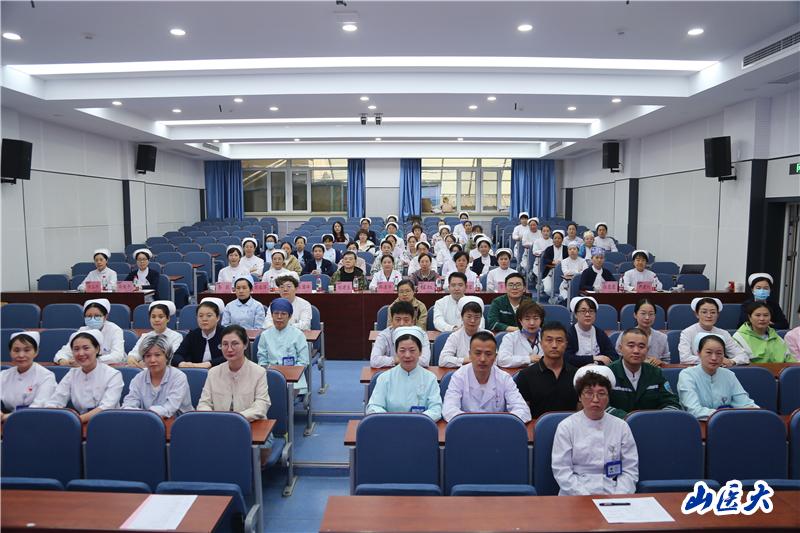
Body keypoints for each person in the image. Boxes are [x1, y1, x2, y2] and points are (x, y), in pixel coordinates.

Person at [551, 365, 639, 495]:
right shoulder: (566, 426)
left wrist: (619, 496)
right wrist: (584, 497)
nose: (595, 399)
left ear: (608, 397)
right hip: (575, 493)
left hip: (614, 491)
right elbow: (562, 470)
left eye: (601, 393)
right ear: (579, 397)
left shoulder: (621, 426)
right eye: (589, 393)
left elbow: (630, 469)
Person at [198, 324, 271, 463]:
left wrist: (235, 419)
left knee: (246, 454)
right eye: (225, 344)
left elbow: (261, 406)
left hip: (251, 426)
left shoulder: (259, 372)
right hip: (219, 426)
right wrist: (213, 418)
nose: (229, 349)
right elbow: (204, 403)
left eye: (235, 344)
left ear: (245, 345)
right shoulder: (213, 372)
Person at [442, 331, 531, 422]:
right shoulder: (459, 376)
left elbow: (523, 410)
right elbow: (449, 410)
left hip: (498, 427)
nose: (483, 359)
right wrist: (474, 423)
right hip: (467, 427)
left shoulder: (504, 378)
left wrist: (500, 423)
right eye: (478, 353)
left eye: (488, 354)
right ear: (470, 355)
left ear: (495, 357)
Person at [37, 330, 123, 423]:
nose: (81, 353)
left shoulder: (113, 375)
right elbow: (57, 400)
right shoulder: (72, 374)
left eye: (86, 348)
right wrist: (51, 413)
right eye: (76, 349)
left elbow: (106, 407)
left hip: (108, 422)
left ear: (97, 349)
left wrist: (74, 421)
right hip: (79, 423)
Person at [366, 326, 442, 421]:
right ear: (396, 352)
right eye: (402, 350)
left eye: (412, 350)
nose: (407, 355)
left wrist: (417, 421)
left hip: (420, 426)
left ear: (420, 352)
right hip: (390, 425)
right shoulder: (384, 378)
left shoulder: (430, 378)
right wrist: (391, 420)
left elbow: (436, 409)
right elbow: (374, 406)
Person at [677, 333, 758, 419]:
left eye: (719, 353)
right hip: (697, 424)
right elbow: (694, 410)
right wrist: (725, 415)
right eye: (709, 352)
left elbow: (744, 403)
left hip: (727, 422)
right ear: (699, 353)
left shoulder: (729, 375)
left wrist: (757, 411)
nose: (714, 358)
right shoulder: (687, 375)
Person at [606, 328, 681, 418]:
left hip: (651, 423)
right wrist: (630, 419)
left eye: (641, 347)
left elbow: (671, 402)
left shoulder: (655, 372)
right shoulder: (608, 372)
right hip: (617, 424)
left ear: (647, 350)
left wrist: (660, 418)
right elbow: (602, 406)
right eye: (631, 346)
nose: (636, 351)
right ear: (620, 348)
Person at [514, 322, 579, 418]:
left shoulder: (577, 375)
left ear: (566, 344)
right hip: (537, 426)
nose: (554, 345)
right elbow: (523, 413)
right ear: (541, 344)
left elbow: (580, 410)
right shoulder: (526, 375)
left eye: (559, 340)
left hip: (571, 426)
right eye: (549, 340)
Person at [122, 334, 193, 416]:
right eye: (148, 356)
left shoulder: (179, 377)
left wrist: (143, 414)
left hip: (178, 421)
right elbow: (129, 404)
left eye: (157, 355)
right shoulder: (138, 378)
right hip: (146, 420)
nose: (152, 360)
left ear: (167, 356)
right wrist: (132, 410)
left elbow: (169, 409)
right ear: (143, 359)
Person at [257, 298, 310, 394]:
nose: (279, 317)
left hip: (293, 377)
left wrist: (289, 371)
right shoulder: (265, 335)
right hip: (271, 375)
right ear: (271, 315)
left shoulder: (298, 335)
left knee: (287, 395)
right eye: (276, 313)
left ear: (290, 316)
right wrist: (271, 372)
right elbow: (262, 359)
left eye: (283, 314)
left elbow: (303, 361)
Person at [1, 332, 56, 420]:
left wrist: (6, 417)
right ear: (10, 352)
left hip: (36, 421)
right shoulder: (4, 375)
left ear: (36, 352)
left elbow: (38, 407)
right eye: (16, 350)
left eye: (27, 350)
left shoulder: (47, 376)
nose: (21, 355)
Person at [678, 297, 749, 365]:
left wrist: (732, 361)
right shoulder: (687, 333)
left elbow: (743, 356)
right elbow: (685, 358)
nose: (709, 316)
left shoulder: (723, 333)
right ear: (696, 314)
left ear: (718, 315)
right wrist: (715, 360)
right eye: (704, 312)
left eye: (713, 312)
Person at [54, 298, 125, 365]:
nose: (92, 319)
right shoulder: (82, 330)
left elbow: (117, 356)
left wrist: (90, 360)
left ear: (105, 316)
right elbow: (64, 352)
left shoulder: (115, 330)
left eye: (97, 316)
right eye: (88, 316)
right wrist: (62, 360)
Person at [370, 301, 431, 368]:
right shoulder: (384, 335)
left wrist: (399, 360)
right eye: (398, 320)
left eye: (406, 320)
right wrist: (396, 360)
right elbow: (374, 361)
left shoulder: (421, 335)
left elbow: (425, 361)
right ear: (392, 321)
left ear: (413, 321)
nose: (401, 324)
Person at [127, 300, 183, 368]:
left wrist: (146, 362)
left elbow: (171, 358)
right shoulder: (145, 336)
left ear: (168, 318)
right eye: (153, 317)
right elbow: (135, 353)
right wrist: (131, 358)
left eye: (161, 317)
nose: (156, 320)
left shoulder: (176, 337)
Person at [565, 296, 618, 367]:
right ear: (575, 315)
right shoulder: (569, 334)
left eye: (591, 311)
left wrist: (596, 363)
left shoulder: (600, 333)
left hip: (599, 370)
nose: (587, 314)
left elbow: (613, 356)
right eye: (583, 311)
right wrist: (593, 358)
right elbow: (568, 358)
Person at [173, 297, 226, 368]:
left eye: (209, 316)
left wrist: (210, 363)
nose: (204, 319)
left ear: (218, 318)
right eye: (200, 316)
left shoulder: (226, 334)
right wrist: (182, 363)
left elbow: (231, 356)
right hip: (195, 371)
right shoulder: (192, 335)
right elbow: (177, 355)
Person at [614, 298, 670, 364]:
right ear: (635, 315)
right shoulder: (625, 335)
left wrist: (660, 362)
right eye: (643, 313)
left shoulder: (662, 337)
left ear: (655, 316)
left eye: (651, 314)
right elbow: (618, 359)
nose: (647, 317)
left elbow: (667, 361)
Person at [439, 296, 487, 368]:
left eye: (477, 317)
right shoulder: (455, 336)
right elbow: (442, 360)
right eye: (469, 317)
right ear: (462, 317)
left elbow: (495, 360)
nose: (472, 321)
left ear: (481, 318)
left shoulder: (488, 335)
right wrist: (465, 360)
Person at [496, 300, 545, 367]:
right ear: (520, 321)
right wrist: (528, 359)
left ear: (541, 320)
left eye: (536, 318)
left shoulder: (548, 337)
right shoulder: (510, 337)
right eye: (527, 319)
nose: (532, 323)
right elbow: (502, 360)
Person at [541, 229, 567, 296]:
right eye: (555, 238)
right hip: (550, 272)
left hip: (563, 273)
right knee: (548, 290)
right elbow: (545, 260)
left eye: (559, 238)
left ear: (562, 240)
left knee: (565, 290)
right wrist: (553, 262)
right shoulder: (549, 249)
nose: (557, 240)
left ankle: (557, 298)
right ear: (552, 239)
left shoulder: (566, 249)